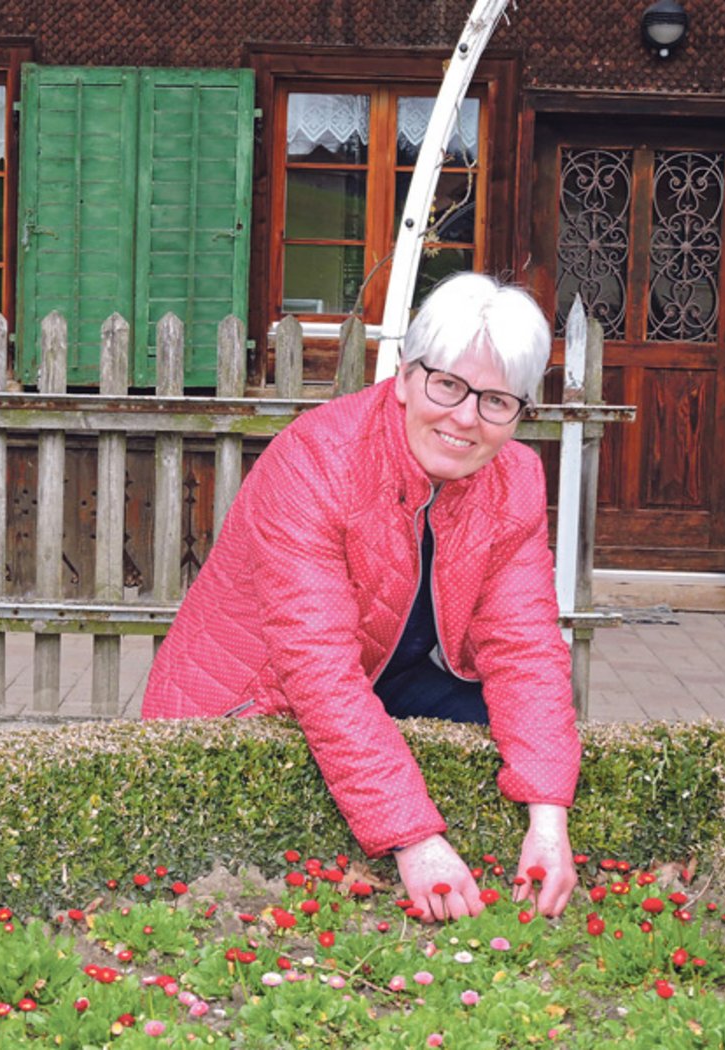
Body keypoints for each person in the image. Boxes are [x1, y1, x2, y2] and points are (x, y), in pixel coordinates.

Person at [142, 272, 580, 921]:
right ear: (405, 375)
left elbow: (526, 647)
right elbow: (318, 673)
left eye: (496, 401)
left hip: (384, 673)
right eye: (448, 385)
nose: (466, 418)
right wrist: (414, 839)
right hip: (252, 698)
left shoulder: (512, 478)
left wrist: (550, 819)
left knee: (512, 736)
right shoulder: (315, 463)